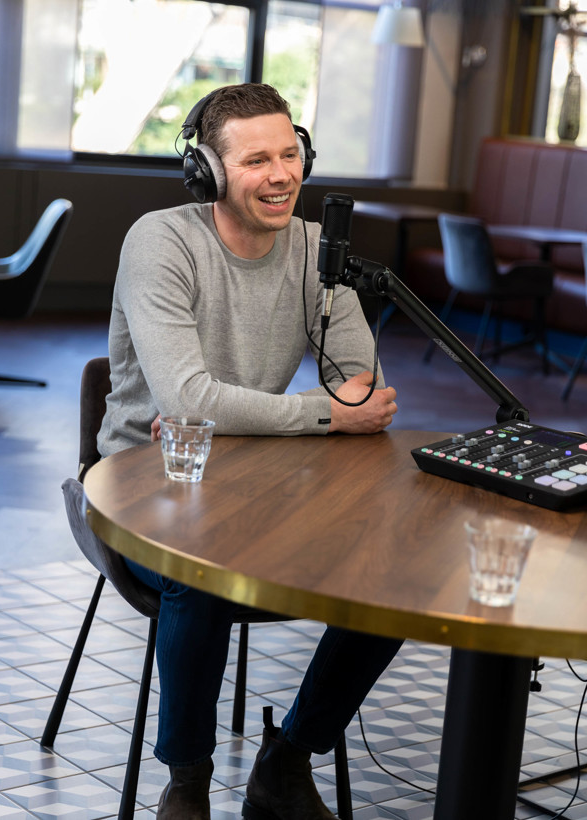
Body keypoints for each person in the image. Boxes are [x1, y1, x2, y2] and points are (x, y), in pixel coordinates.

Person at [97, 83, 403, 820]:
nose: (281, 174)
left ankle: (287, 760)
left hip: (257, 480)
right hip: (143, 487)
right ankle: (188, 783)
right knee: (200, 570)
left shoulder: (312, 250)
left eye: (290, 153)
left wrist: (287, 414)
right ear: (205, 170)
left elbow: (364, 389)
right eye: (256, 159)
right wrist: (319, 414)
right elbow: (189, 402)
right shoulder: (160, 241)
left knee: (393, 571)